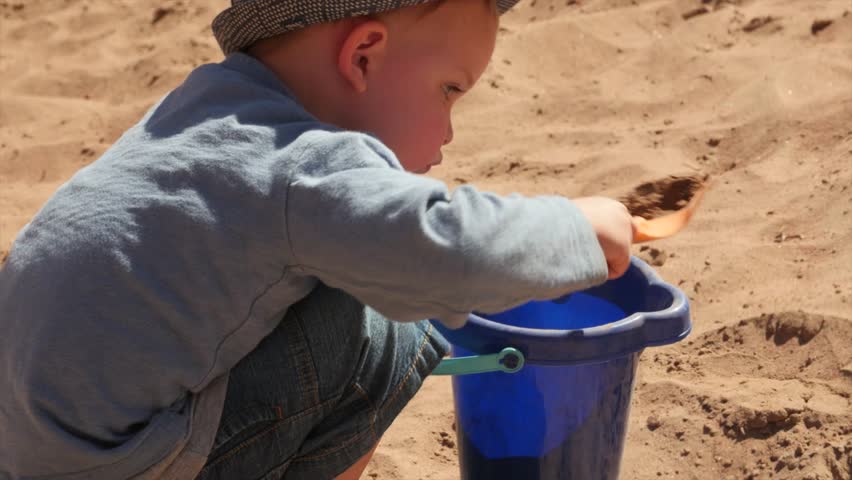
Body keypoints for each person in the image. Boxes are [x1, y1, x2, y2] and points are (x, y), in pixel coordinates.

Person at [0, 0, 635, 478]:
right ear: (362, 55)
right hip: (112, 465)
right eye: (448, 91)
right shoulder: (301, 164)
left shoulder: (203, 111)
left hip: (31, 442)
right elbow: (443, 253)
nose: (448, 132)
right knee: (378, 327)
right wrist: (577, 228)